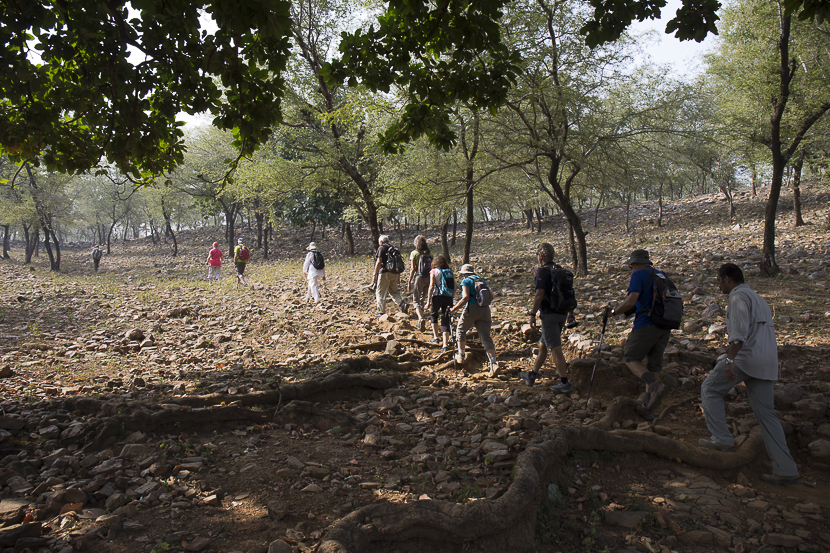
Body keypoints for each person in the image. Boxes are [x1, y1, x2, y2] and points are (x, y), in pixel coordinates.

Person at [699, 263, 800, 485]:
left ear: (727, 279)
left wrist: (730, 360)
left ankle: (722, 439)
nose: (718, 285)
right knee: (767, 414)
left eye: (718, 280)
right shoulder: (759, 298)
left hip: (745, 358)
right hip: (767, 361)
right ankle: (786, 469)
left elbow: (738, 334)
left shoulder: (737, 298)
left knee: (709, 388)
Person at [608, 249, 669, 415]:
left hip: (646, 324)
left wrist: (614, 312)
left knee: (630, 357)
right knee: (654, 366)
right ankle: (648, 408)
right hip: (664, 325)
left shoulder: (638, 274)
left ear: (634, 263)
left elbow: (631, 300)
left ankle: (654, 385)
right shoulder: (660, 274)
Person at [519, 243, 571, 392]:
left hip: (549, 315)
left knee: (555, 348)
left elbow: (539, 295)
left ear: (540, 256)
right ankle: (532, 375)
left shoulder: (543, 272)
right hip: (562, 313)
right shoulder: (559, 270)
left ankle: (564, 382)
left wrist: (532, 314)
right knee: (543, 346)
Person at [450, 264, 498, 376]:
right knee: (486, 337)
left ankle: (461, 355)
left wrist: (454, 308)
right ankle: (493, 364)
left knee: (460, 330)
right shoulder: (482, 280)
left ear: (464, 274)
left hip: (472, 309)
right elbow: (491, 297)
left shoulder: (466, 281)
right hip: (485, 310)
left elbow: (465, 297)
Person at [371, 235, 408, 317]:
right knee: (393, 291)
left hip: (384, 273)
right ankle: (402, 304)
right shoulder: (394, 248)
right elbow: (397, 263)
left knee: (380, 292)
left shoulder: (382, 248)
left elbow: (379, 261)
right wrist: (398, 277)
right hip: (394, 273)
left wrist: (375, 274)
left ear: (381, 242)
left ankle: (381, 312)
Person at [425, 254, 454, 354]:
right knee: (446, 319)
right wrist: (451, 297)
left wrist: (428, 301)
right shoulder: (450, 272)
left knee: (434, 315)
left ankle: (436, 337)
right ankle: (445, 344)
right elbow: (454, 286)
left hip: (436, 297)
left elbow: (431, 286)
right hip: (448, 297)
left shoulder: (433, 271)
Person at [407, 235, 431, 331]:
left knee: (416, 300)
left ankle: (421, 319)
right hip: (429, 278)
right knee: (422, 299)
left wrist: (409, 281)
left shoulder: (414, 253)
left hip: (419, 278)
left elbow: (413, 269)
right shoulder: (428, 253)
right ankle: (421, 317)